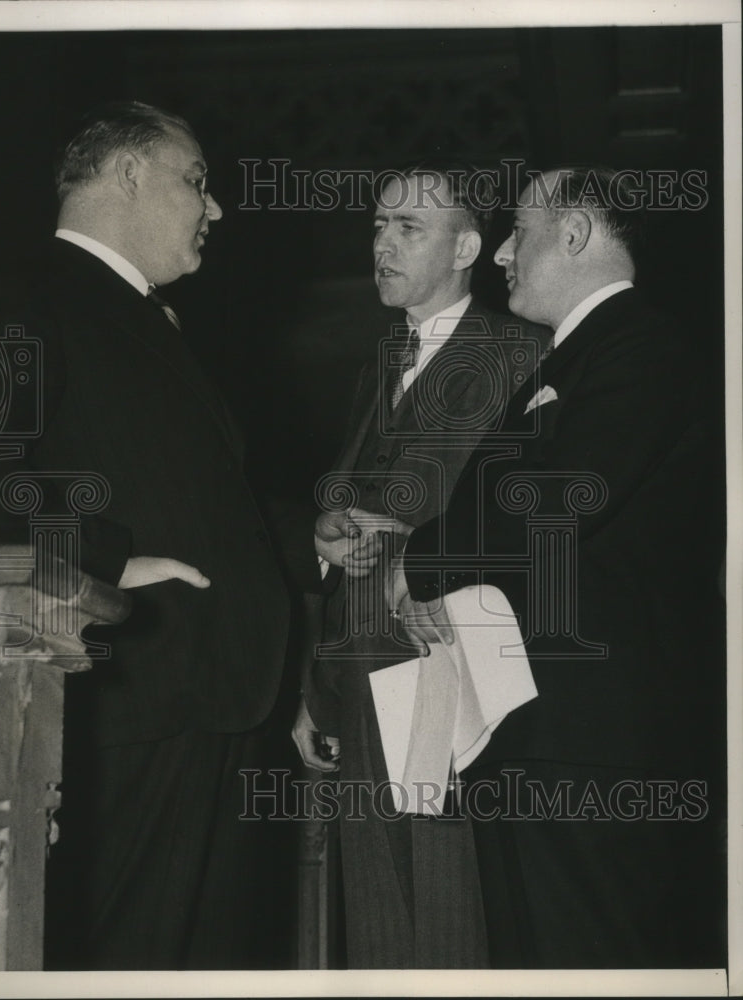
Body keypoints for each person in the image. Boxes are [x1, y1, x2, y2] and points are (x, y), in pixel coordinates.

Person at [0, 100, 371, 970]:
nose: (216, 207)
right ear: (128, 176)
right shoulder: (26, 295)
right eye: (196, 181)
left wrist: (309, 531)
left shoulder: (145, 317)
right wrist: (109, 558)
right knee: (127, 960)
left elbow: (200, 497)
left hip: (216, 703)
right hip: (133, 703)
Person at [395, 166, 726, 968]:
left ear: (575, 235)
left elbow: (558, 500)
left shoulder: (642, 345)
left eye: (521, 230)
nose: (504, 251)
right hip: (541, 730)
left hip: (596, 745)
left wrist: (420, 557)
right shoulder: (571, 361)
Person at [291, 161, 550, 968]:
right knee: (377, 924)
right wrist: (314, 687)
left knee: (445, 915)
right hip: (357, 674)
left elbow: (531, 516)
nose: (382, 244)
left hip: (447, 670)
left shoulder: (522, 354)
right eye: (377, 225)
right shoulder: (378, 365)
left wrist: (403, 531)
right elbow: (351, 524)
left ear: (468, 245)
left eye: (409, 228)